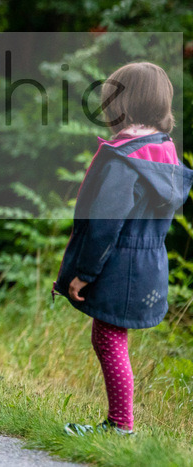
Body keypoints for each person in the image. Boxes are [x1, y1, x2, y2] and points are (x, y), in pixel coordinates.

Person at [54, 62, 193, 436]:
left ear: (120, 105)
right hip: (148, 261)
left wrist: (84, 273)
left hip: (119, 263)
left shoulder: (125, 159)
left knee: (109, 340)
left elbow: (105, 224)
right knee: (109, 338)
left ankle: (120, 425)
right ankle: (119, 423)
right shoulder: (163, 150)